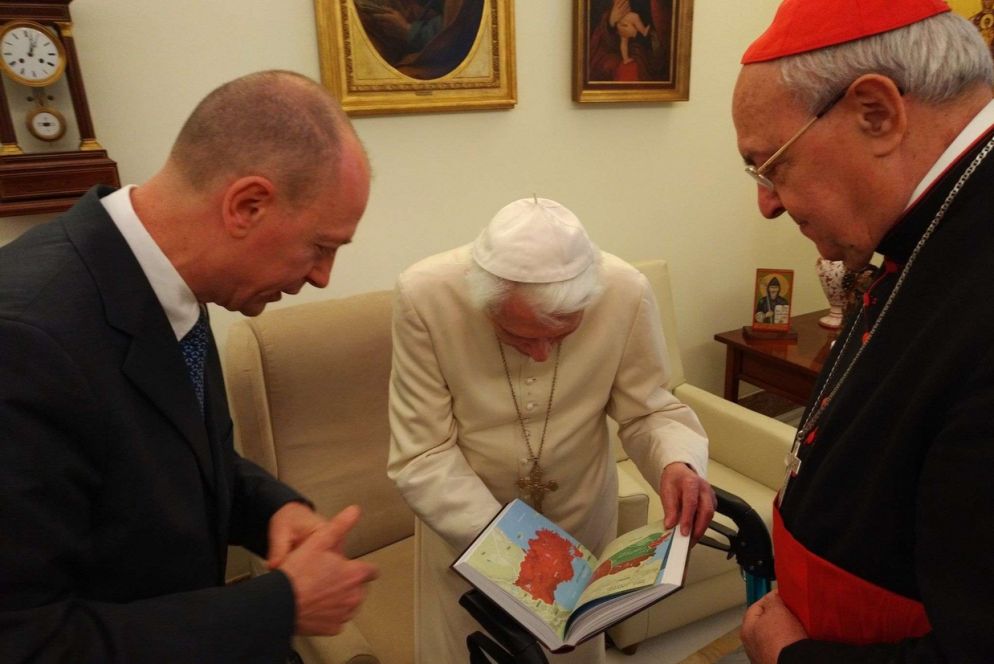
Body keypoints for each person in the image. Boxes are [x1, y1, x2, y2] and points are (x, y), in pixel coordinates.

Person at [0, 70, 379, 663]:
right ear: (247, 205)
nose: (322, 276)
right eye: (321, 246)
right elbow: (26, 642)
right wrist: (282, 606)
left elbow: (177, 455)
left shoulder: (171, 282)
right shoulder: (25, 343)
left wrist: (274, 508)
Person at [732, 1, 994, 662]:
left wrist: (793, 658)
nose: (765, 203)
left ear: (876, 112)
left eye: (771, 164)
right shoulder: (930, 226)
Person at [387, 196, 715, 663]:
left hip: (578, 520)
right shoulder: (426, 296)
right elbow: (422, 454)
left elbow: (649, 410)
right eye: (519, 336)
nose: (541, 354)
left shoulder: (625, 291)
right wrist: (512, 553)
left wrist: (677, 462)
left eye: (560, 337)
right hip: (469, 529)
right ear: (484, 303)